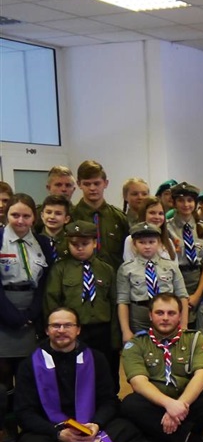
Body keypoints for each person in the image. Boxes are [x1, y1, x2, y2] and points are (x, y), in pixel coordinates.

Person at [10, 308, 157, 442]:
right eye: (56, 326)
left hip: (91, 428)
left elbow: (109, 400)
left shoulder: (96, 358)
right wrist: (57, 434)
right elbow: (24, 412)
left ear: (78, 329)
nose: (61, 330)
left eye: (68, 325)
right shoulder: (29, 365)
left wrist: (96, 424)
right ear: (47, 330)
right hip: (52, 431)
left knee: (127, 430)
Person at [120, 293, 203, 442]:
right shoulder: (136, 344)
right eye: (159, 313)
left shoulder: (194, 339)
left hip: (187, 404)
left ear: (179, 316)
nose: (165, 318)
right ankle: (193, 440)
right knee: (130, 404)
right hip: (156, 406)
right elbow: (138, 382)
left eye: (171, 313)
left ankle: (163, 438)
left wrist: (179, 406)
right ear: (150, 315)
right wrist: (168, 404)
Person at [43, 219, 118, 377]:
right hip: (72, 330)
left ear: (94, 243)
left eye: (85, 243)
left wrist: (115, 337)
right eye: (74, 244)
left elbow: (114, 303)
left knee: (105, 371)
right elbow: (52, 300)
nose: (80, 248)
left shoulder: (106, 269)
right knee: (74, 372)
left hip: (102, 329)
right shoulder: (60, 269)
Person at [0, 193, 48, 388]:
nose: (20, 221)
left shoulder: (42, 242)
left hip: (31, 312)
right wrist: (10, 316)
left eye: (26, 216)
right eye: (15, 215)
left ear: (34, 217)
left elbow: (44, 282)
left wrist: (32, 313)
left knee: (27, 374)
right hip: (3, 311)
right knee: (3, 373)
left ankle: (23, 408)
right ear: (7, 215)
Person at [165, 183, 203, 317]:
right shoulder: (167, 228)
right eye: (181, 200)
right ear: (174, 203)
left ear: (195, 203)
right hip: (174, 280)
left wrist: (197, 294)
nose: (186, 204)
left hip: (196, 282)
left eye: (190, 200)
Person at [70, 160, 128, 271]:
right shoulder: (71, 216)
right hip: (80, 276)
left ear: (105, 183)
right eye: (87, 184)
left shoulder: (118, 217)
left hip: (114, 276)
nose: (92, 188)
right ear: (79, 184)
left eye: (97, 183)